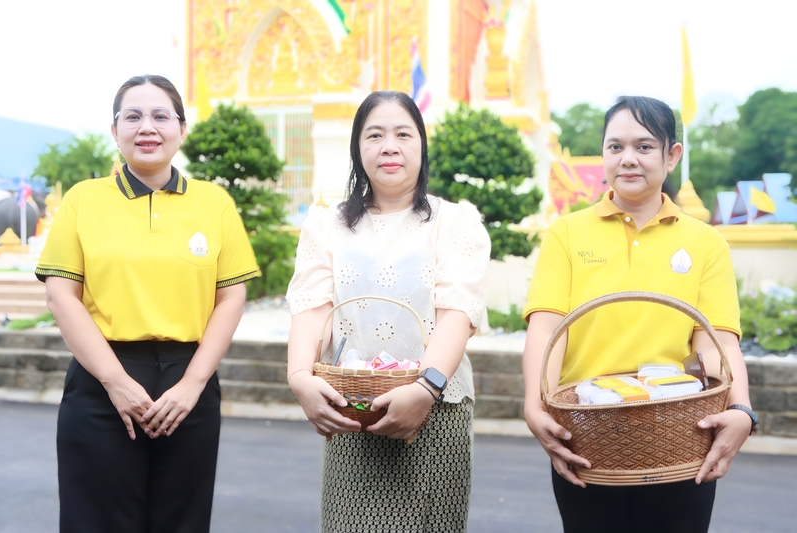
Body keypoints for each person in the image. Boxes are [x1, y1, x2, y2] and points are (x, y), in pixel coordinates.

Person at [35, 74, 260, 532]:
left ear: (181, 129)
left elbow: (231, 296)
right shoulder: (83, 200)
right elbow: (62, 297)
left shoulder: (214, 203)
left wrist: (193, 384)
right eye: (132, 116)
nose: (147, 127)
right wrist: (115, 381)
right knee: (95, 519)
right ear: (114, 130)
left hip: (187, 381)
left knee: (181, 520)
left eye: (161, 116)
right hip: (102, 378)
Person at [522, 96, 755, 533]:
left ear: (672, 155)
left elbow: (717, 340)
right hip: (587, 433)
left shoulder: (706, 243)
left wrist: (741, 407)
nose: (628, 158)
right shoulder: (566, 234)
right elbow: (548, 329)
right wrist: (536, 404)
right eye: (615, 147)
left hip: (681, 433)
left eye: (644, 147)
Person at [286, 90, 490, 532]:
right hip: (352, 408)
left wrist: (426, 388)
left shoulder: (455, 222)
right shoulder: (326, 225)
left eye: (403, 133)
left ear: (421, 144)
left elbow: (458, 311)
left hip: (436, 410)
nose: (389, 146)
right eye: (374, 135)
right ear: (359, 149)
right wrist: (300, 377)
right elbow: (311, 305)